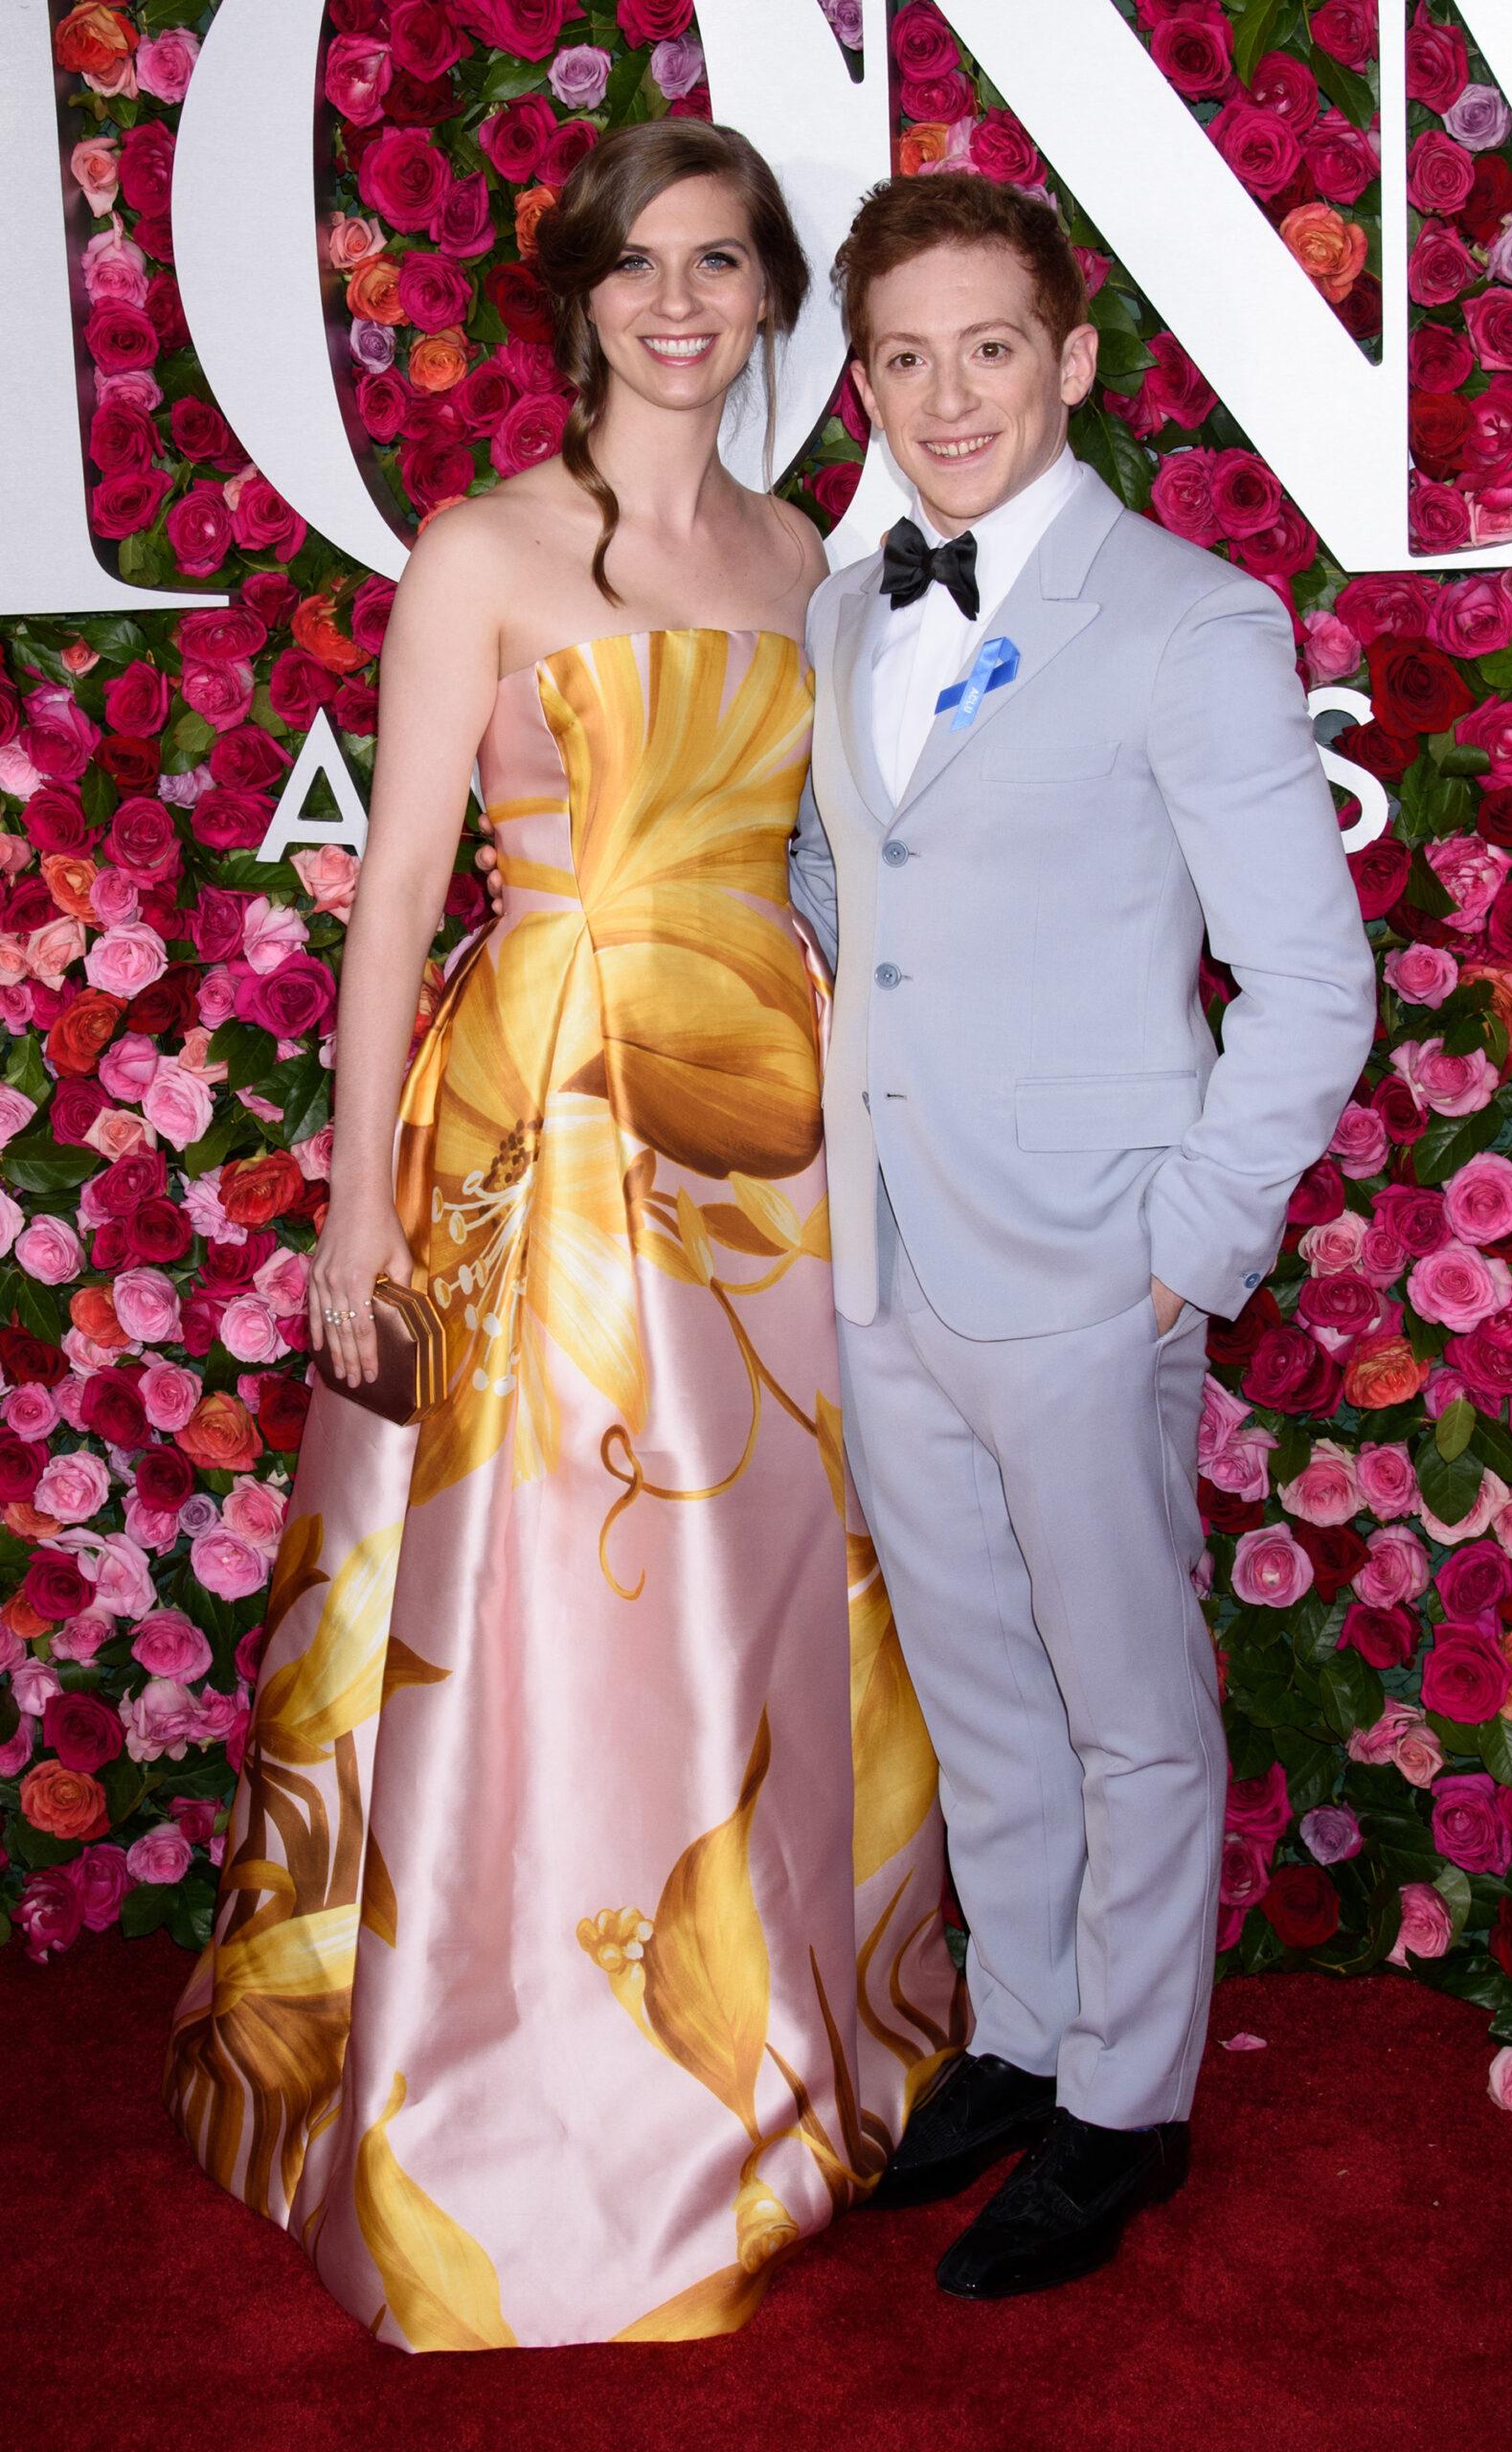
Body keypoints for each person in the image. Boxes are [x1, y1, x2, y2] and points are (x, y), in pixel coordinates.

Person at [164, 122, 963, 2352]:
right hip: (548, 1122)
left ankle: (775, 2030)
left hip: (765, 1133)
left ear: (772, 295)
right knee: (555, 1593)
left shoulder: (809, 546)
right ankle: (515, 2078)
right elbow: (400, 895)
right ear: (580, 299)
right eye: (637, 267)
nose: (679, 303)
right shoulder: (488, 547)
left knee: (764, 1571)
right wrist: (352, 1205)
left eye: (719, 263)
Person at [784, 174, 1376, 2299]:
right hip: (888, 1257)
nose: (949, 395)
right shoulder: (847, 612)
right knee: (978, 1689)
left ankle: (1127, 2101)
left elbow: (1313, 986)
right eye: (908, 356)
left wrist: (1180, 1252)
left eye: (993, 347)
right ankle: (1025, 2035)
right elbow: (857, 913)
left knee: (1127, 1696)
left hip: (1089, 1257)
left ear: (1076, 360)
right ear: (863, 377)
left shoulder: (1194, 619)